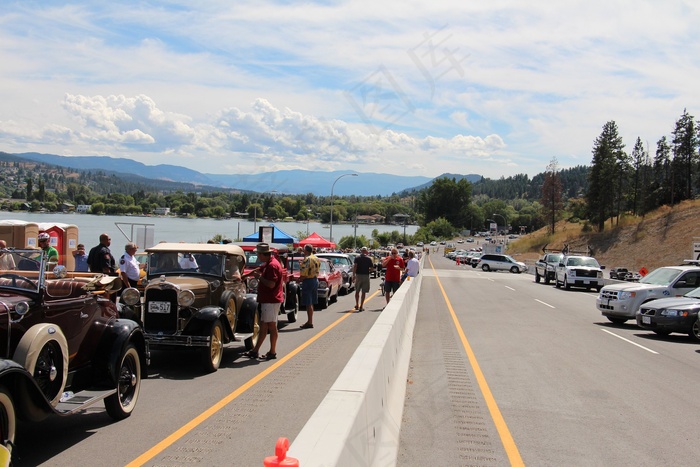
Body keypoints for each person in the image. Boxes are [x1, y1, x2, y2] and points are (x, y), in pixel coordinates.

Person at [245, 243, 284, 360]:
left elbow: (271, 284)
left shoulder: (272, 266)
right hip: (269, 300)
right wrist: (245, 276)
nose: (257, 256)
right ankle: (256, 350)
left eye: (258, 254)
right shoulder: (269, 263)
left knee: (271, 325)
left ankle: (272, 351)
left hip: (271, 300)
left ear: (262, 254)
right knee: (264, 325)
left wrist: (259, 277)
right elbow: (258, 269)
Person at [299, 244, 320, 329]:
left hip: (308, 280)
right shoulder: (316, 258)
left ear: (306, 250)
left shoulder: (307, 259)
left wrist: (299, 279)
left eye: (304, 250)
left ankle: (309, 322)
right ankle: (310, 320)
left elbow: (305, 272)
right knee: (311, 301)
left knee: (308, 302)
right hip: (315, 279)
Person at [353, 246, 374, 311]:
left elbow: (355, 267)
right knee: (364, 292)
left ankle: (357, 304)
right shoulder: (369, 259)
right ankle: (361, 306)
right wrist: (369, 270)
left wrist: (354, 275)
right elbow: (371, 268)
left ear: (361, 251)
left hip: (358, 275)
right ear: (366, 251)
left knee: (357, 290)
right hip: (366, 275)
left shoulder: (357, 258)